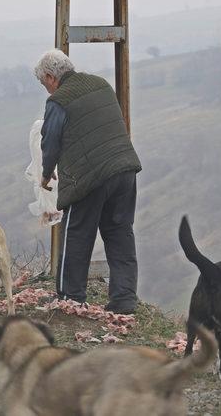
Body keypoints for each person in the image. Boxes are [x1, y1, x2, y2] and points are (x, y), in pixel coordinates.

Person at [33, 49, 142, 314]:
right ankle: (124, 299)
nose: (46, 90)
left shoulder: (59, 101)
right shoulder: (100, 84)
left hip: (90, 176)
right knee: (119, 232)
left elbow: (50, 140)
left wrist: (46, 174)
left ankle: (70, 296)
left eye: (43, 83)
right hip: (125, 169)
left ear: (50, 77)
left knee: (76, 235)